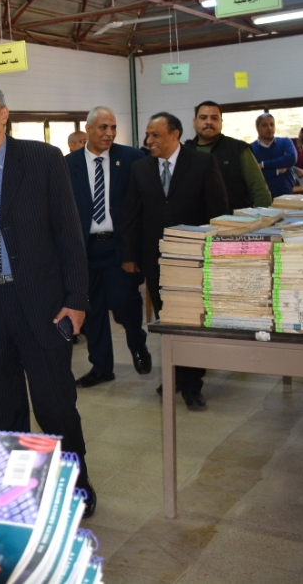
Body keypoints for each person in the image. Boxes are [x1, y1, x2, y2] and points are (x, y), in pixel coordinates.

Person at [0, 81, 96, 518]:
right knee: (0, 412)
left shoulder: (43, 160)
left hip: (42, 306)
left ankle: (75, 485)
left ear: (4, 113)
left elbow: (69, 233)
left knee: (55, 407)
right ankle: (16, 493)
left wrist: (77, 300)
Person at [121, 112, 229, 411]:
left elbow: (218, 211)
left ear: (175, 134)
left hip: (193, 260)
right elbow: (131, 213)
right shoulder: (140, 168)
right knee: (167, 321)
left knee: (191, 322)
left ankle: (191, 384)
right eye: (148, 134)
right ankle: (176, 374)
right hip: (155, 260)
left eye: (155, 135)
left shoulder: (202, 163)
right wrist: (129, 255)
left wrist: (216, 254)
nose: (149, 140)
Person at [66, 106, 150, 388]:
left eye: (113, 127)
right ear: (88, 129)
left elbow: (141, 208)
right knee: (93, 311)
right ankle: (101, 367)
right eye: (103, 127)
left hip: (119, 248)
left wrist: (134, 252)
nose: (109, 133)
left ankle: (138, 345)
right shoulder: (68, 165)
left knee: (125, 304)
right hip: (86, 250)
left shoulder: (132, 159)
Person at [184, 101, 271, 210]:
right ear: (194, 122)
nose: (209, 122)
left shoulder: (238, 149)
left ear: (221, 122)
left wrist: (264, 216)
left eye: (214, 118)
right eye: (203, 117)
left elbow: (259, 189)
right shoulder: (185, 152)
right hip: (195, 219)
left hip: (235, 218)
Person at [249, 113, 297, 198]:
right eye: (264, 125)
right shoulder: (250, 149)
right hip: (262, 197)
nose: (269, 128)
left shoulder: (285, 142)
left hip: (287, 194)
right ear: (257, 128)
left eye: (272, 124)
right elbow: (252, 175)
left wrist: (263, 165)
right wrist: (276, 171)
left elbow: (292, 158)